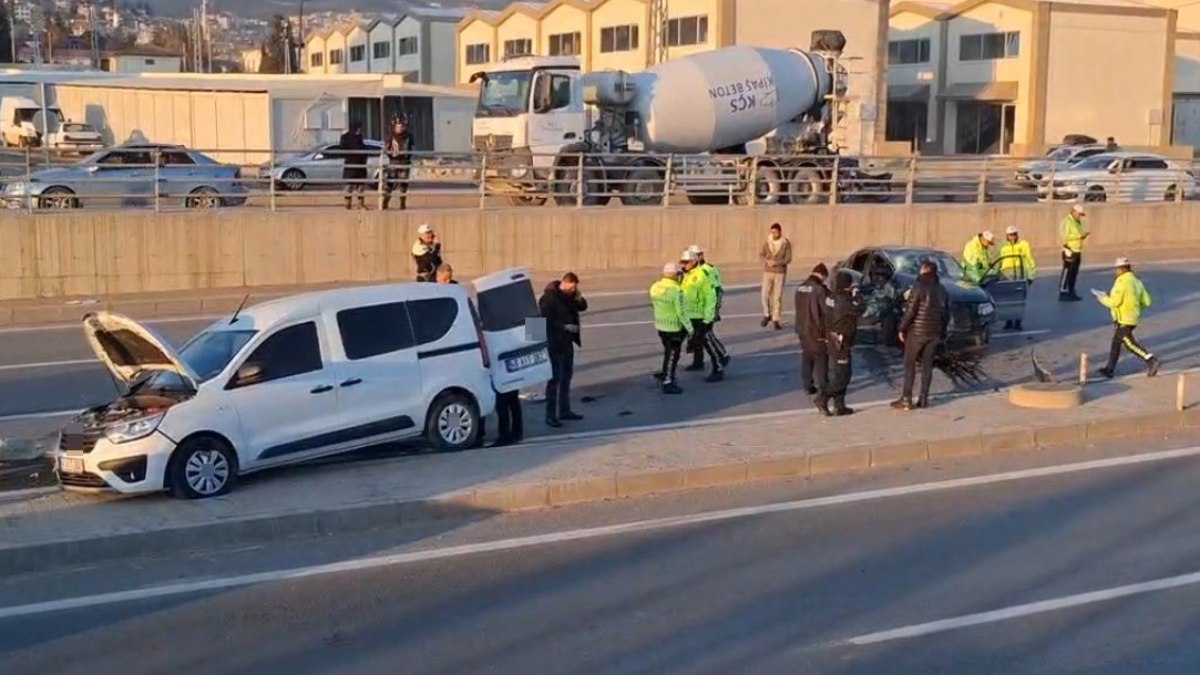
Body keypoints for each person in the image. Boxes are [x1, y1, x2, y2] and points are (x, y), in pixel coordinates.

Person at [892, 260, 950, 411]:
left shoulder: (918, 287)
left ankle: (906, 399)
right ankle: (923, 398)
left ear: (924, 271)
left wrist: (901, 328)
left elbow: (910, 311)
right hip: (934, 333)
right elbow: (946, 314)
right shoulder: (942, 289)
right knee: (927, 366)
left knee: (909, 364)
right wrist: (942, 333)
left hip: (917, 332)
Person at [1096, 257, 1160, 379]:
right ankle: (1109, 369)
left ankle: (1151, 360)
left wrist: (1102, 298)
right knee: (1116, 343)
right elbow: (1147, 301)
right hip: (1133, 318)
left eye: (1116, 269)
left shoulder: (1121, 282)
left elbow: (1115, 302)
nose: (1115, 272)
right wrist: (1135, 307)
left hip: (1124, 319)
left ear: (1121, 269)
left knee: (1130, 344)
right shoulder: (1137, 281)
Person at [539, 272, 588, 427]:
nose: (573, 290)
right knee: (554, 379)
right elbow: (545, 320)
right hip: (553, 343)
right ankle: (550, 415)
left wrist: (578, 296)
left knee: (566, 377)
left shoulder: (570, 296)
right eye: (572, 287)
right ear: (565, 283)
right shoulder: (548, 298)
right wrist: (565, 326)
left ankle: (565, 411)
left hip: (567, 342)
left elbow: (583, 307)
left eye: (575, 288)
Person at [817, 271, 864, 417]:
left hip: (832, 337)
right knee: (843, 375)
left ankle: (840, 405)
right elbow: (860, 308)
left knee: (839, 372)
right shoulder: (844, 301)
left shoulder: (831, 297)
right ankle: (823, 398)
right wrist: (857, 294)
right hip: (840, 340)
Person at [681, 249, 724, 383]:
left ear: (694, 261)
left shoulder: (702, 274)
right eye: (683, 262)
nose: (684, 264)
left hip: (701, 315)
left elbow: (711, 296)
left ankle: (718, 367)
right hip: (691, 315)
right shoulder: (687, 275)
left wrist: (709, 318)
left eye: (686, 262)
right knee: (696, 341)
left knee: (708, 342)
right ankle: (697, 363)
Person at [649, 262, 692, 395]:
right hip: (674, 327)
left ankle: (665, 372)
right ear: (675, 275)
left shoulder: (655, 287)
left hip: (661, 325)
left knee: (668, 352)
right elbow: (681, 312)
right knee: (673, 354)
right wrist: (690, 328)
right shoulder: (676, 290)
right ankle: (668, 381)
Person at [794, 263, 830, 398]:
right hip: (815, 329)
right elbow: (824, 311)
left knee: (807, 357)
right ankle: (824, 387)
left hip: (801, 328)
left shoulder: (799, 288)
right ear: (822, 275)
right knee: (821, 358)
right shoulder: (818, 289)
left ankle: (808, 386)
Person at [999, 225, 1036, 330]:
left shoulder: (1024, 245)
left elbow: (1030, 260)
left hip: (1020, 274)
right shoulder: (1003, 247)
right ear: (1007, 236)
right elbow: (999, 262)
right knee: (1008, 300)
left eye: (1014, 234)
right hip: (1007, 275)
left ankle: (1018, 322)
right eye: (1010, 235)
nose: (1013, 237)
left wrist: (1030, 276)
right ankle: (1008, 321)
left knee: (1020, 299)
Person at [759, 223, 793, 330]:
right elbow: (761, 254)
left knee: (777, 297)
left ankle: (776, 319)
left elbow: (788, 258)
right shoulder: (767, 242)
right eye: (772, 232)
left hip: (779, 272)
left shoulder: (785, 243)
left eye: (776, 232)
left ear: (780, 232)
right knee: (764, 294)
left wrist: (777, 263)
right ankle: (766, 314)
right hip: (768, 271)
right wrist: (767, 261)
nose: (774, 234)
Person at [382, 116, 414, 210]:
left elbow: (411, 148)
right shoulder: (391, 136)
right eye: (398, 126)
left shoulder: (408, 137)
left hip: (404, 162)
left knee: (403, 184)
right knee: (389, 183)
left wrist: (408, 156)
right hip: (394, 162)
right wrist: (391, 154)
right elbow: (386, 148)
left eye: (402, 126)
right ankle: (385, 202)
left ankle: (402, 203)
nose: (400, 128)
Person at [1059, 203, 1088, 301]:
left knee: (1074, 273)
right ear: (1074, 212)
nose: (1080, 216)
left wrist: (1082, 236)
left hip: (1077, 250)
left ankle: (1071, 290)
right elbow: (1065, 236)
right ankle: (1063, 292)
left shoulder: (1077, 222)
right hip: (1070, 250)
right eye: (1079, 214)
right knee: (1068, 272)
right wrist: (1079, 236)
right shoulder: (1067, 222)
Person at [338, 124, 368, 210]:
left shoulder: (360, 137)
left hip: (360, 165)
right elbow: (342, 150)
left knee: (360, 187)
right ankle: (347, 203)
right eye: (358, 129)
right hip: (350, 165)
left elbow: (363, 149)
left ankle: (360, 204)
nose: (359, 131)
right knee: (349, 186)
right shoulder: (346, 137)